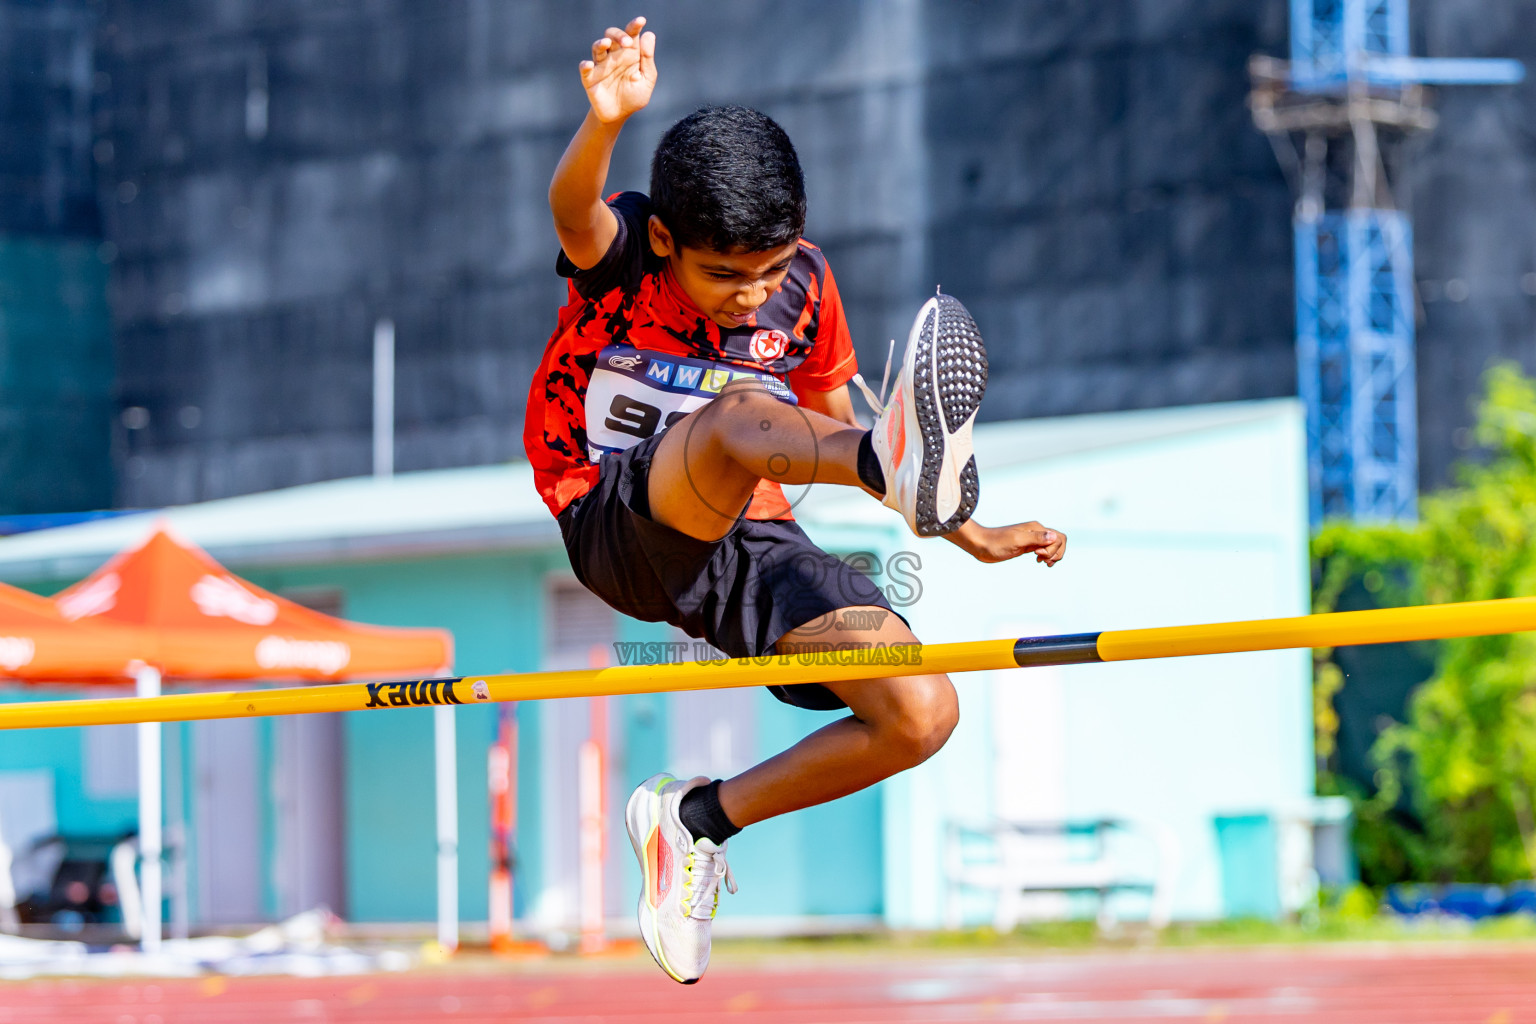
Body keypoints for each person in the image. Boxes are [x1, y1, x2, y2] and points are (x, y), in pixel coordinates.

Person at [526, 16, 1067, 984]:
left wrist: (962, 527)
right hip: (614, 521)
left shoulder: (806, 290)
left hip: (754, 535)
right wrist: (602, 121)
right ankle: (891, 464)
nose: (750, 295)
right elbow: (573, 209)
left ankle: (695, 819)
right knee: (741, 415)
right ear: (665, 239)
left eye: (767, 270)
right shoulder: (624, 265)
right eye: (724, 275)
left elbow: (822, 431)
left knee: (918, 706)